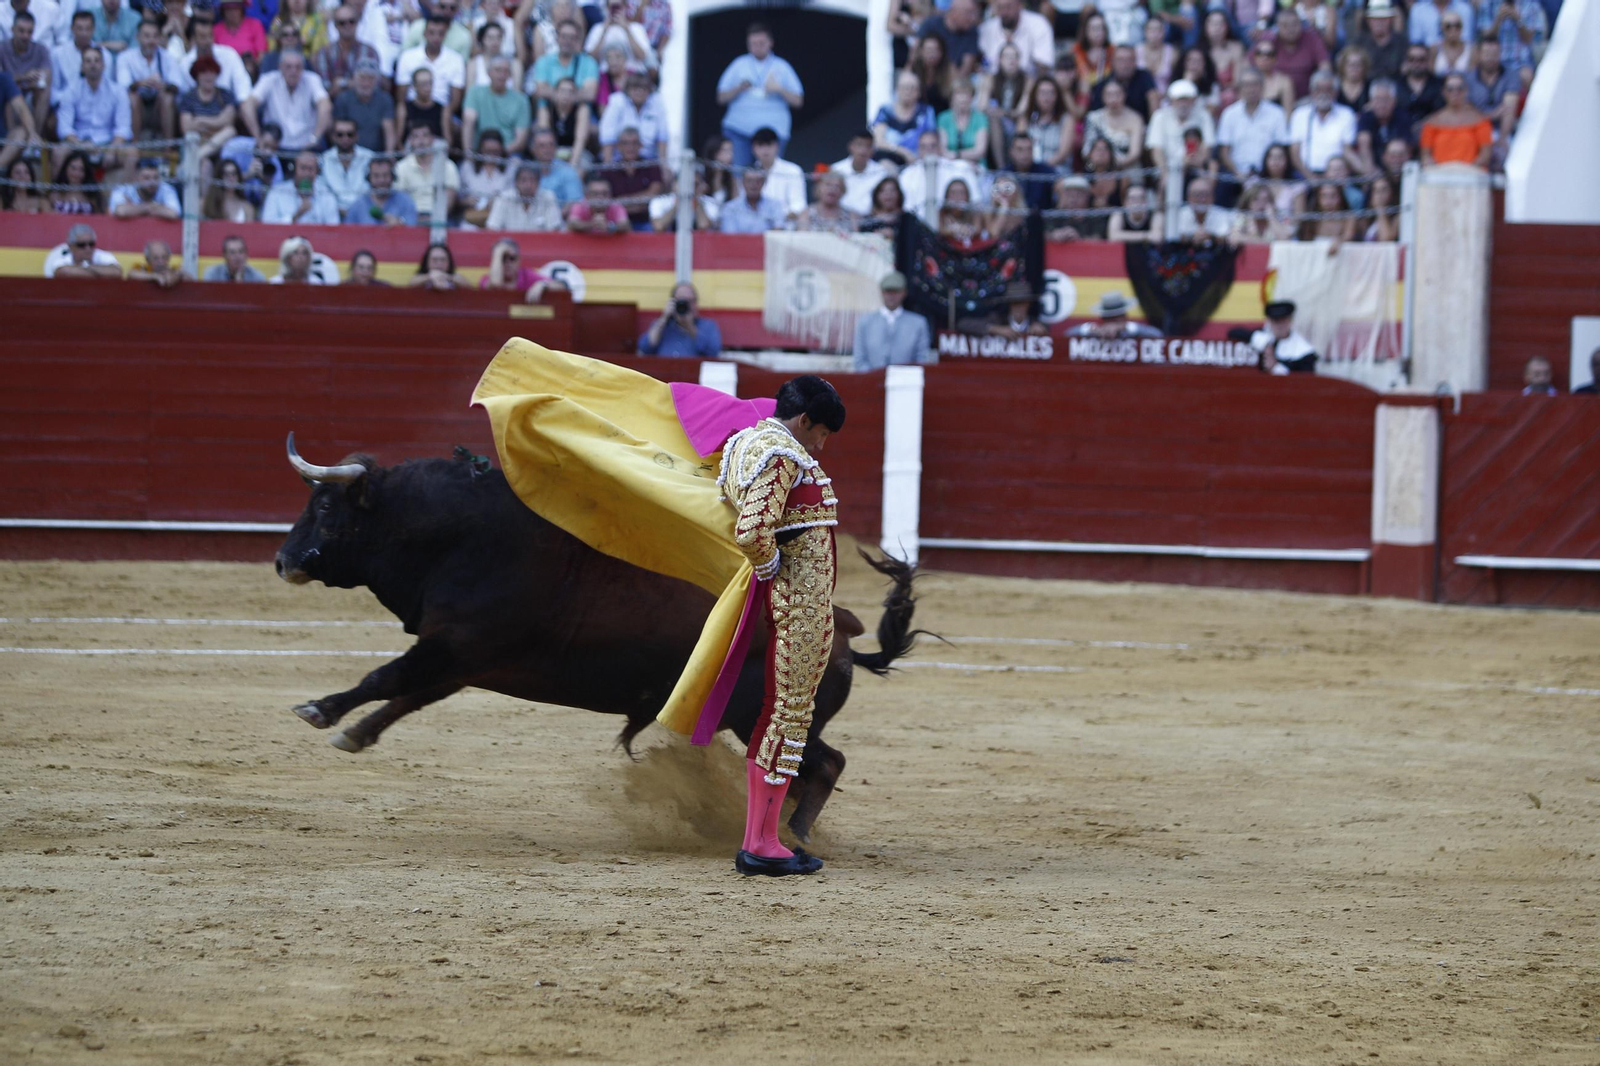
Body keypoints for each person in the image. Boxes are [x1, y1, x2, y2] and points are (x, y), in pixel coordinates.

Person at [717, 376, 844, 877]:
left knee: (780, 714)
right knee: (786, 717)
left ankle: (761, 838)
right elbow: (751, 530)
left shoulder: (748, 441)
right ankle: (762, 843)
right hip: (801, 607)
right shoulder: (783, 454)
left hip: (794, 603)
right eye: (822, 432)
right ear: (805, 419)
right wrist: (771, 569)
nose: (822, 444)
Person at [715, 21, 803, 167]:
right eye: (753, 43)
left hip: (772, 134)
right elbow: (720, 97)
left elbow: (798, 101)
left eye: (761, 43)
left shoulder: (782, 66)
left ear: (770, 42)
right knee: (738, 174)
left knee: (770, 176)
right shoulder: (738, 64)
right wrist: (738, 88)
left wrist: (779, 89)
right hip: (739, 131)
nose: (757, 47)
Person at [53, 45, 132, 178]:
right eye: (88, 61)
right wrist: (80, 146)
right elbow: (64, 128)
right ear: (82, 67)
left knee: (131, 153)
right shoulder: (71, 90)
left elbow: (123, 128)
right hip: (79, 141)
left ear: (103, 65)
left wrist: (112, 149)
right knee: (58, 151)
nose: (93, 65)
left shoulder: (118, 91)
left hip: (108, 142)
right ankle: (58, 195)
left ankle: (124, 197)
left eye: (97, 61)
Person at [243, 49, 332, 152]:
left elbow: (325, 106)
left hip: (306, 147)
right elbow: (247, 106)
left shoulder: (312, 79)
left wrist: (315, 138)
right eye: (288, 67)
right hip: (275, 147)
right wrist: (258, 137)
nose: (293, 71)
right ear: (280, 67)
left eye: (298, 67)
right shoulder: (268, 79)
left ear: (303, 67)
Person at [1216, 67, 1287, 185]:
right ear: (1240, 88)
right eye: (1246, 85)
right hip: (1236, 175)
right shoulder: (1229, 114)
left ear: (1262, 87)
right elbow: (1224, 151)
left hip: (1267, 175)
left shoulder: (1277, 113)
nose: (1251, 89)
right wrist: (1237, 173)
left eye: (1255, 84)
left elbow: (1281, 148)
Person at [852, 271, 931, 372]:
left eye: (896, 291)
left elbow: (922, 359)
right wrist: (873, 379)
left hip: (906, 384)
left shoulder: (918, 324)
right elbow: (859, 360)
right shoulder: (865, 322)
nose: (891, 296)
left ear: (904, 292)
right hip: (871, 384)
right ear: (881, 292)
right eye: (888, 291)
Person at [116, 19, 178, 142]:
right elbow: (123, 86)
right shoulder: (125, 57)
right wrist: (141, 83)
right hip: (136, 108)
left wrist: (163, 86)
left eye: (155, 36)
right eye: (146, 36)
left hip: (158, 108)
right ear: (137, 37)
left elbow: (176, 86)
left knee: (167, 98)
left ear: (160, 38)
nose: (151, 41)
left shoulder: (168, 57)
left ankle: (168, 149)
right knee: (133, 97)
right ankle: (135, 149)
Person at [1289, 70, 1359, 176]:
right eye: (1319, 89)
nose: (1323, 93)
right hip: (1304, 174)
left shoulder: (1346, 114)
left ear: (1336, 92)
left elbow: (1347, 151)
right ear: (1311, 91)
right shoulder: (1299, 114)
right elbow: (1294, 153)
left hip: (1336, 176)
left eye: (1328, 89)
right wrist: (1310, 177)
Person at [464, 53, 531, 157]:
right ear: (488, 72)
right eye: (497, 70)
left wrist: (498, 154)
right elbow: (469, 121)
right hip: (479, 152)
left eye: (506, 71)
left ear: (510, 75)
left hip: (508, 154)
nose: (502, 75)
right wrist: (469, 154)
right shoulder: (475, 93)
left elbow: (520, 140)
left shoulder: (521, 100)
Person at [396, 14, 466, 114]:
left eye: (441, 33)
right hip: (412, 112)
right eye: (431, 33)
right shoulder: (407, 57)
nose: (436, 37)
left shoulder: (456, 59)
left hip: (442, 112)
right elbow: (401, 96)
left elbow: (456, 100)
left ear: (446, 35)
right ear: (424, 33)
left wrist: (443, 116)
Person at [597, 125, 663, 229]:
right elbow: (605, 199)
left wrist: (621, 203)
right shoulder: (609, 170)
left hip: (646, 220)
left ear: (640, 145)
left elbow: (653, 194)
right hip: (616, 222)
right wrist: (639, 203)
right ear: (618, 146)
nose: (630, 147)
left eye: (634, 143)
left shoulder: (652, 166)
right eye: (625, 143)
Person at [1420, 73, 1492, 167]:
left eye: (1459, 89)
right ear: (1443, 92)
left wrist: (1466, 171)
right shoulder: (1432, 122)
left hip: (1470, 175)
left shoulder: (1480, 121)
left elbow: (1485, 155)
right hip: (1439, 175)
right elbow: (1426, 155)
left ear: (1466, 91)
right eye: (1450, 89)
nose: (1455, 93)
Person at [0, 12, 52, 140]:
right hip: (9, 97)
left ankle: (35, 139)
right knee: (11, 94)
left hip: (30, 94)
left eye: (29, 32)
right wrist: (24, 77)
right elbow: (1, 80)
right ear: (13, 30)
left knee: (44, 91)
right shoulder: (2, 48)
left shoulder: (41, 50)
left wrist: (27, 83)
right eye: (21, 31)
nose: (25, 36)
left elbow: (46, 78)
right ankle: (12, 141)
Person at [637, 282, 722, 357]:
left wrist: (690, 327)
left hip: (693, 373)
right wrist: (664, 317)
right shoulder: (662, 325)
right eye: (681, 301)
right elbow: (645, 348)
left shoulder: (708, 326)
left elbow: (713, 353)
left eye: (689, 301)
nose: (685, 305)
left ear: (696, 303)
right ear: (672, 302)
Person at [395, 122, 459, 221]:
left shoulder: (448, 166)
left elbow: (449, 202)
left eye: (425, 135)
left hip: (441, 218)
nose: (421, 141)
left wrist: (435, 219)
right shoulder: (401, 167)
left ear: (432, 139)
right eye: (415, 136)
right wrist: (412, 219)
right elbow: (400, 200)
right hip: (410, 218)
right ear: (410, 141)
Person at [598, 70, 667, 162]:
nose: (639, 92)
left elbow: (663, 135)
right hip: (618, 159)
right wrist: (609, 166)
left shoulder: (657, 102)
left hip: (648, 160)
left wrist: (663, 165)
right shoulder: (617, 101)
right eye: (635, 88)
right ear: (628, 89)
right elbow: (607, 135)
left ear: (649, 90)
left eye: (643, 88)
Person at [315, 4, 383, 96]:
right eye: (342, 22)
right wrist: (357, 83)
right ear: (335, 25)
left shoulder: (370, 52)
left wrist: (342, 83)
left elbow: (373, 85)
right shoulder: (325, 53)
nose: (347, 25)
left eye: (351, 21)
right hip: (334, 106)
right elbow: (324, 89)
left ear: (358, 22)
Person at [873, 70, 937, 167]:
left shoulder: (926, 112)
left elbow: (931, 139)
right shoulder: (885, 110)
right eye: (904, 87)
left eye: (912, 88)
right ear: (897, 90)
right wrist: (904, 152)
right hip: (889, 158)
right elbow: (879, 142)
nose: (908, 91)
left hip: (919, 161)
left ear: (919, 92)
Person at [528, 17, 597, 104]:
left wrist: (562, 96)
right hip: (551, 108)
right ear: (556, 38)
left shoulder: (589, 62)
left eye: (572, 37)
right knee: (543, 104)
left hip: (577, 110)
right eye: (563, 36)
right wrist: (567, 96)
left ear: (578, 40)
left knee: (584, 107)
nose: (567, 41)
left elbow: (590, 94)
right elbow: (540, 90)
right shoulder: (544, 61)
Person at [263, 149, 342, 223]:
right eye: (303, 168)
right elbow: (267, 225)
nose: (306, 174)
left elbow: (334, 228)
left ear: (317, 171)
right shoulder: (276, 193)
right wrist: (296, 216)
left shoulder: (326, 195)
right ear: (294, 169)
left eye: (310, 169)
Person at [334, 57, 396, 153]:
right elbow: (339, 131)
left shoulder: (385, 99)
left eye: (371, 78)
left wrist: (389, 154)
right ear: (354, 78)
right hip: (351, 155)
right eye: (362, 77)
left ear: (377, 81)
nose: (366, 83)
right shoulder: (343, 99)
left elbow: (388, 129)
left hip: (377, 156)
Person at [978, 0, 1053, 75]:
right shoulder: (986, 29)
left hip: (1029, 82)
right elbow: (982, 65)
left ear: (1020, 5)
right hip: (994, 82)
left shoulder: (1038, 25)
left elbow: (1044, 66)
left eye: (1008, 7)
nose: (1004, 12)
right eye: (1000, 7)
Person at [1270, 8, 1330, 100]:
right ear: (1277, 27)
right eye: (1285, 25)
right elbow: (1251, 63)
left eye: (1295, 24)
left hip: (1308, 98)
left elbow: (1325, 66)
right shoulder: (1271, 40)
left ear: (1301, 24)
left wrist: (1321, 84)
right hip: (1275, 98)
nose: (1291, 29)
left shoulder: (1311, 38)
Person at [748, 125, 805, 218]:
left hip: (786, 227)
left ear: (777, 146)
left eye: (769, 144)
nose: (765, 150)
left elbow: (798, 205)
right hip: (755, 226)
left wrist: (777, 219)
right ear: (753, 148)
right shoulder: (748, 173)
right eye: (760, 145)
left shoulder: (793, 170)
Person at [459, 129, 513, 225]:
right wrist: (466, 201)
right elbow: (457, 197)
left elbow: (514, 195)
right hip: (473, 218)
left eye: (495, 152)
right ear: (480, 150)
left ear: (501, 150)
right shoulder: (468, 167)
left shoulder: (510, 168)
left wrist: (498, 201)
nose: (491, 155)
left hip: (501, 220)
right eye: (488, 151)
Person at [344, 154, 417, 225]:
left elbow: (412, 226)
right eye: (376, 176)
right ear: (369, 178)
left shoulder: (405, 201)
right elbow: (348, 232)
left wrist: (400, 224)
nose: (381, 180)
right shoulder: (358, 205)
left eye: (385, 175)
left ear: (392, 177)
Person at [830, 129, 889, 216]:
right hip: (841, 219)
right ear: (850, 146)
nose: (863, 150)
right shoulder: (836, 170)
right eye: (859, 145)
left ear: (873, 150)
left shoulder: (881, 172)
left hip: (870, 219)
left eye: (868, 146)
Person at [487, 162, 561, 230]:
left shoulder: (548, 197)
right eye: (523, 180)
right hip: (510, 243)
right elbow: (492, 228)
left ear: (538, 183)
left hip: (540, 243)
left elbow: (554, 229)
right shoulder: (504, 197)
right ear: (516, 182)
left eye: (532, 180)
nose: (528, 185)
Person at [320, 117, 373, 211]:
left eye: (350, 134)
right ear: (333, 136)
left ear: (356, 136)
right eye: (340, 134)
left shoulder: (369, 157)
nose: (345, 138)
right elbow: (322, 189)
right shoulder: (324, 159)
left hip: (364, 210)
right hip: (332, 211)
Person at [920, 0, 982, 78]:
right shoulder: (930, 25)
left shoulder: (972, 32)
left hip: (952, 80)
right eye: (968, 13)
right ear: (954, 12)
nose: (972, 18)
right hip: (925, 76)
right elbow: (915, 55)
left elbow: (966, 68)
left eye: (974, 13)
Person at [480, 237, 554, 302]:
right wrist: (498, 251)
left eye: (512, 258)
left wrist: (543, 284)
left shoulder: (526, 276)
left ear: (519, 260)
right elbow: (495, 284)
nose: (508, 262)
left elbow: (561, 286)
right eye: (503, 258)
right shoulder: (486, 280)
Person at [1251, 299, 1317, 373]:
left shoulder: (1304, 352)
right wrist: (1265, 345)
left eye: (1283, 320)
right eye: (1276, 321)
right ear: (1269, 322)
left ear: (1290, 320)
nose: (1279, 326)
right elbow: (1238, 332)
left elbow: (1305, 381)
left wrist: (1275, 367)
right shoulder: (1263, 337)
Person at [718, 166, 785, 233]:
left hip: (768, 243)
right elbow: (730, 235)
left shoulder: (775, 205)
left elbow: (778, 231)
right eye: (749, 181)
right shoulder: (730, 208)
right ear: (743, 182)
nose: (753, 185)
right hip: (738, 243)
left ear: (764, 183)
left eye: (758, 181)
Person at [1066, 290, 1163, 337]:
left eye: (1116, 319)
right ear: (1103, 319)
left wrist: (1125, 328)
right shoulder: (1097, 332)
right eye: (1109, 319)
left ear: (1124, 317)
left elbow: (1157, 334)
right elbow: (1068, 334)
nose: (1112, 323)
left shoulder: (1131, 332)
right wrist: (1090, 329)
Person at [43, 222, 123, 278]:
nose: (88, 248)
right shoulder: (60, 258)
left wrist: (84, 267)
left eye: (91, 244)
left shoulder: (103, 255)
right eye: (81, 245)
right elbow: (64, 272)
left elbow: (116, 272)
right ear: (71, 246)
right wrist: (101, 273)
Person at [109, 158, 181, 220]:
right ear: (136, 178)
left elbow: (173, 213)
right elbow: (121, 211)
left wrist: (134, 209)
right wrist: (150, 207)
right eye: (146, 178)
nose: (152, 182)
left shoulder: (166, 189)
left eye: (155, 178)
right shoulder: (123, 190)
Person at [1353, 0, 1407, 81]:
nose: (1379, 23)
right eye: (1375, 19)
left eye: (1383, 19)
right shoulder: (1359, 43)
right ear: (1368, 21)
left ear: (1391, 20)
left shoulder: (1402, 43)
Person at [528, 127, 583, 204]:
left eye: (551, 145)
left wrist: (554, 215)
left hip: (561, 215)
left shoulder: (568, 171)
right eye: (542, 146)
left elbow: (574, 202)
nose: (547, 149)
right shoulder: (526, 171)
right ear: (532, 149)